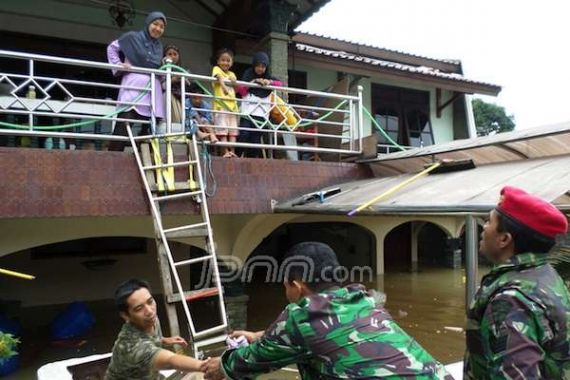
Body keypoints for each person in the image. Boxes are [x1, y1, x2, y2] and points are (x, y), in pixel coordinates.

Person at [202, 241, 453, 380]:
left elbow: (240, 365)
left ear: (296, 286)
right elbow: (327, 333)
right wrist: (258, 336)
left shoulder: (298, 316)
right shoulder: (362, 299)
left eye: (285, 284)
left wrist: (218, 365)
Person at [464, 186, 570, 379]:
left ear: (504, 239)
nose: (483, 227)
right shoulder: (546, 274)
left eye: (488, 221)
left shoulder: (511, 301)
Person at [105, 279, 204, 380]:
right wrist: (205, 366)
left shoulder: (150, 319)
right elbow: (171, 360)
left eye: (150, 301)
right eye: (139, 308)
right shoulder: (133, 347)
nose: (149, 311)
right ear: (126, 316)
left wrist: (164, 339)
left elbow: (149, 337)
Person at [106, 11, 166, 151]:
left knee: (150, 129)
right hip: (133, 89)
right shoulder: (132, 37)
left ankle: (144, 156)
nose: (158, 28)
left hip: (153, 92)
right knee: (125, 123)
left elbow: (158, 67)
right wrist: (118, 64)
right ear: (148, 23)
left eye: (161, 27)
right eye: (155, 24)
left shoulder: (159, 46)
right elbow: (112, 48)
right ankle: (113, 158)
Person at [236, 52, 282, 158]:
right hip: (247, 113)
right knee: (244, 134)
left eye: (263, 66)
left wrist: (269, 82)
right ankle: (237, 156)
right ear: (254, 65)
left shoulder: (268, 77)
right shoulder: (248, 74)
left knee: (255, 140)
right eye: (258, 66)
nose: (260, 69)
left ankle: (251, 161)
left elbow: (280, 84)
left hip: (261, 114)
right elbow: (241, 91)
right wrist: (253, 82)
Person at [211, 48, 238, 158]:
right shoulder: (216, 69)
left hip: (232, 107)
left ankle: (232, 151)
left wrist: (234, 82)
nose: (225, 62)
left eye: (228, 60)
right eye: (223, 60)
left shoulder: (232, 73)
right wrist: (224, 88)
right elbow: (219, 78)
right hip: (221, 106)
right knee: (222, 130)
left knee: (232, 131)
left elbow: (235, 86)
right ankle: (225, 151)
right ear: (218, 61)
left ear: (231, 62)